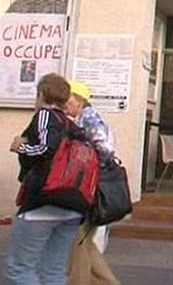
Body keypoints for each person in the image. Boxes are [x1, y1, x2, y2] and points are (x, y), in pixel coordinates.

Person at [5, 73, 82, 285]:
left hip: (44, 201)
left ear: (41, 94)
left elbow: (45, 148)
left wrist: (21, 146)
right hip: (73, 205)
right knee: (53, 270)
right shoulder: (72, 125)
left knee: (20, 269)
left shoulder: (45, 115)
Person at [64, 80, 120, 285]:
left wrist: (88, 165)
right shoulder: (83, 117)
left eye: (67, 99)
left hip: (89, 187)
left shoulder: (88, 117)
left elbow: (104, 147)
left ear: (78, 100)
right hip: (91, 186)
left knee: (78, 240)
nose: (64, 104)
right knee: (85, 243)